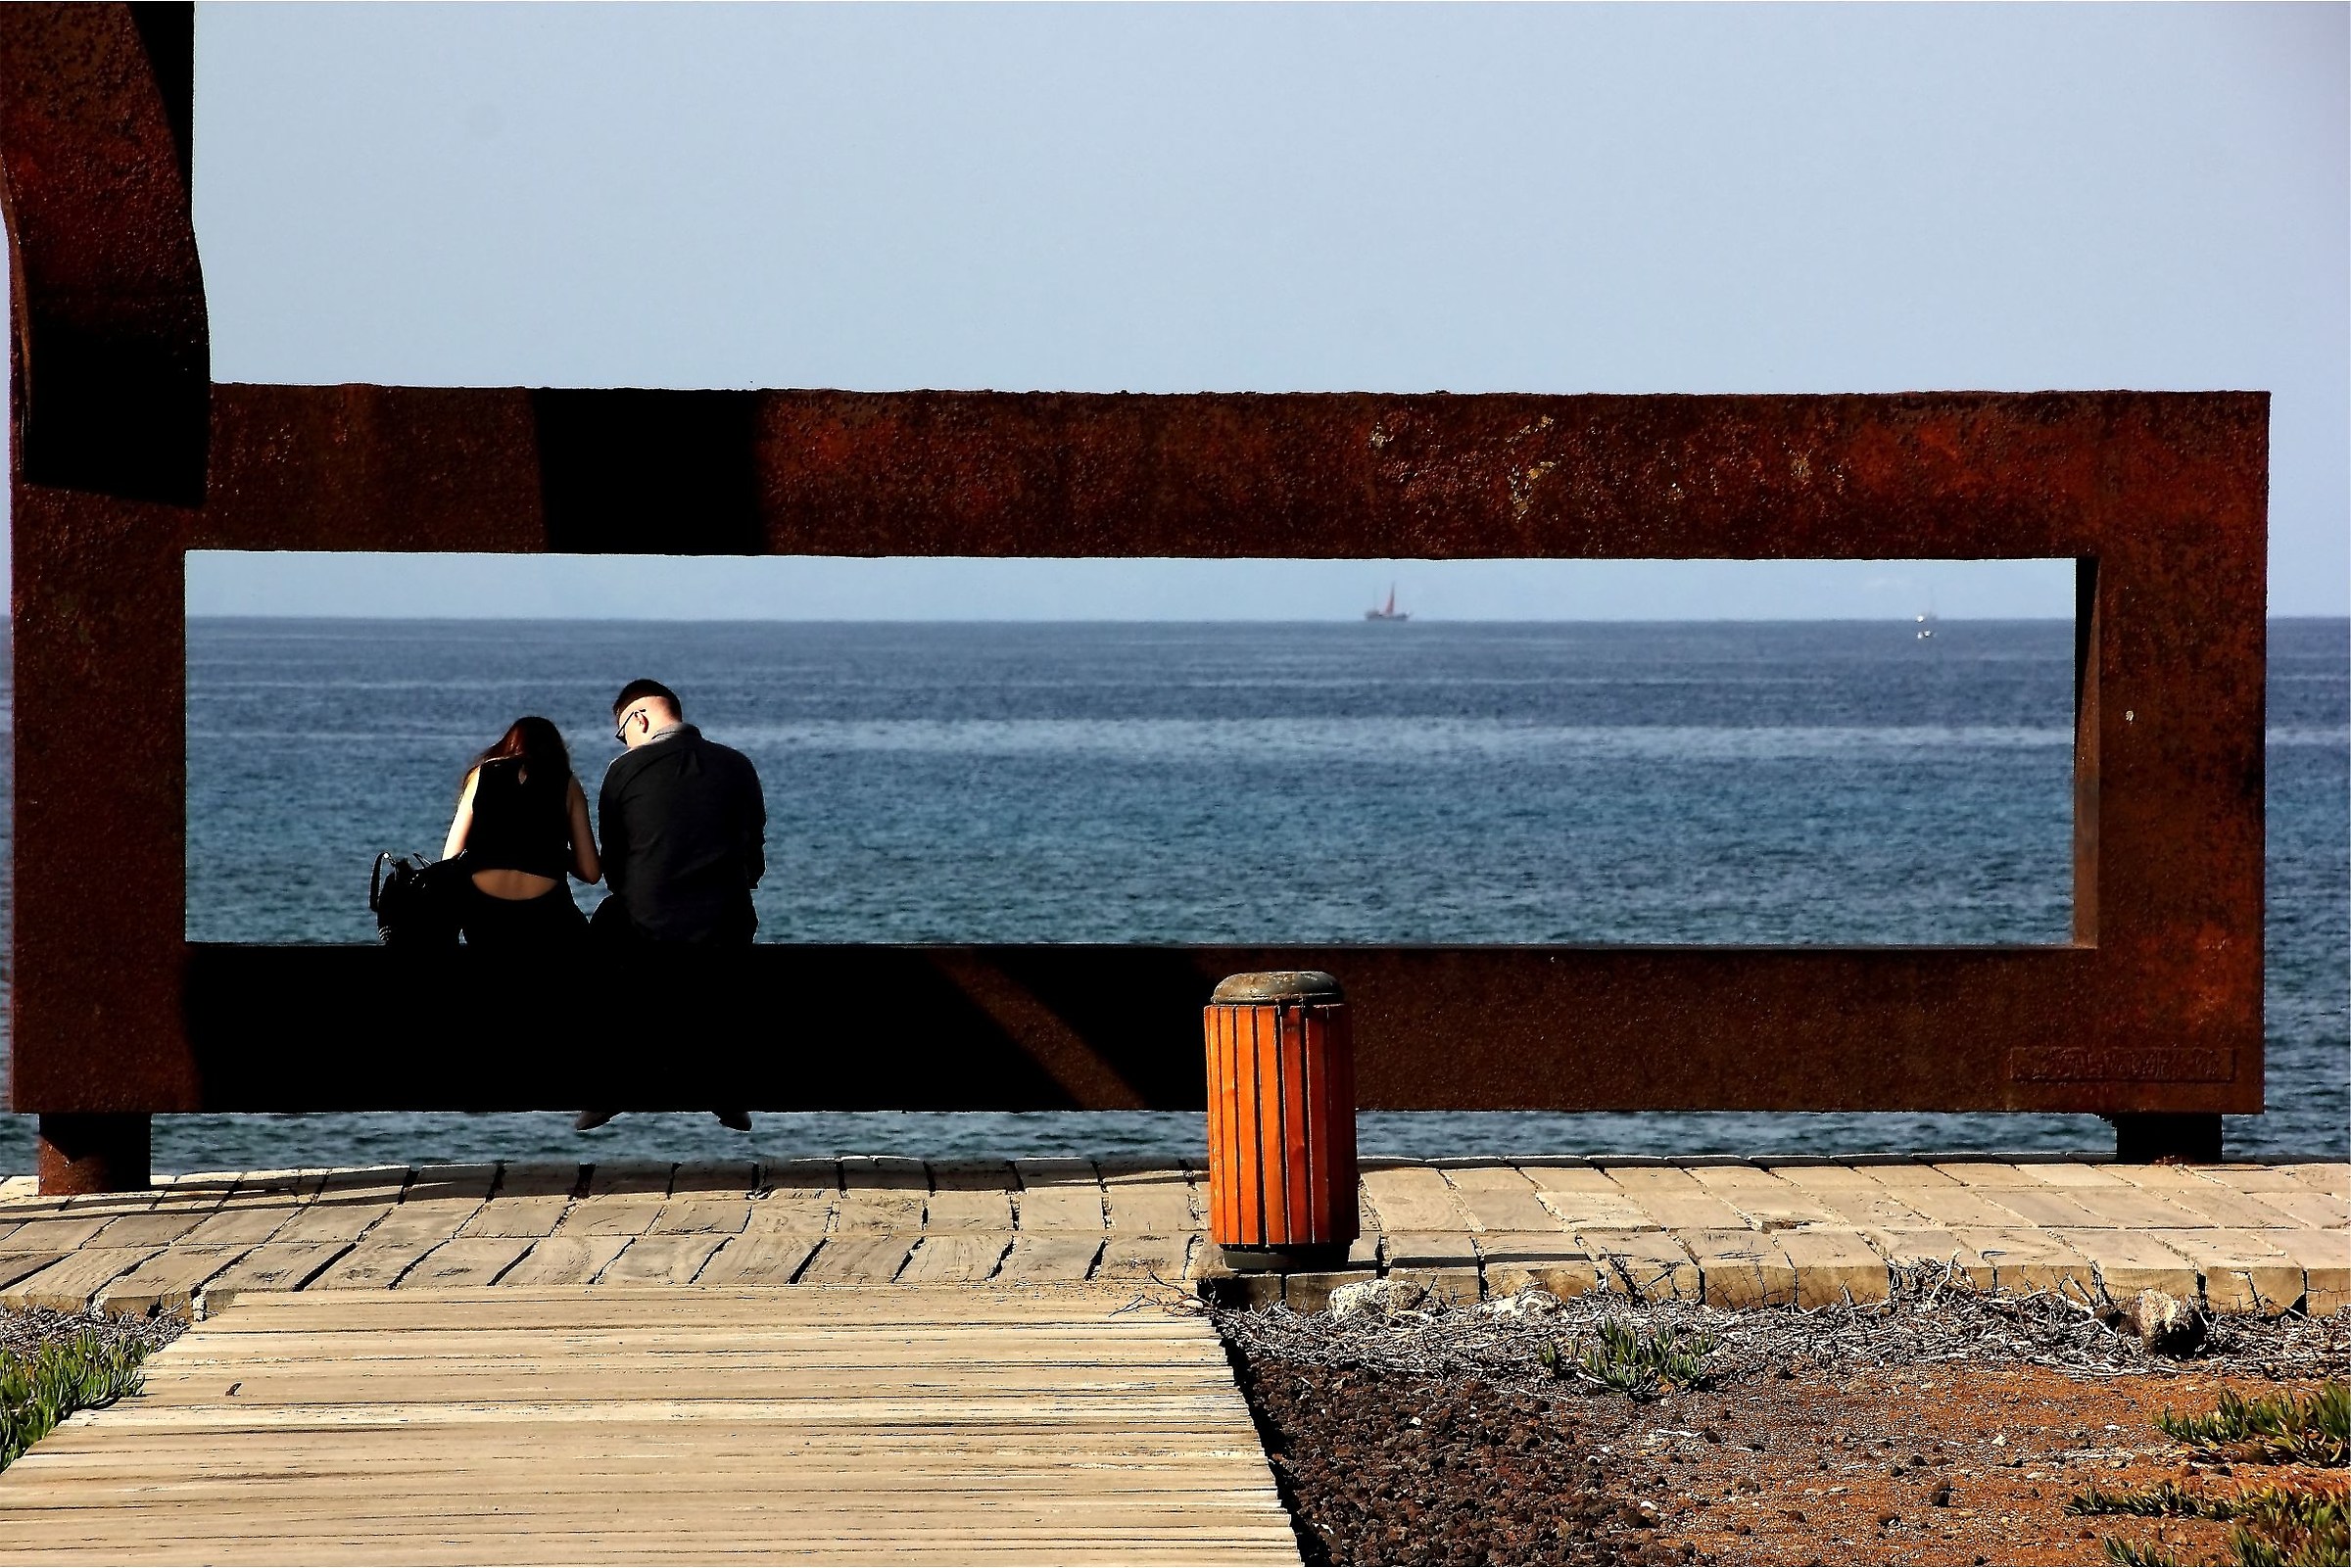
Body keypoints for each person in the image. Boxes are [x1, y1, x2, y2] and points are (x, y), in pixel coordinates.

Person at [578, 679, 767, 1133]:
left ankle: (606, 1089)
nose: (626, 743)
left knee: (602, 938)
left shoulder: (623, 771)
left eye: (623, 733)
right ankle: (728, 1094)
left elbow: (613, 866)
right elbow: (754, 861)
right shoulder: (738, 766)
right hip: (725, 926)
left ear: (639, 719)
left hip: (646, 927)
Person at [443, 717, 600, 948]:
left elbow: (449, 859)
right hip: (547, 913)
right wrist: (556, 852)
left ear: (506, 744)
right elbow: (591, 872)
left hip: (483, 914)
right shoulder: (568, 783)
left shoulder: (480, 775)